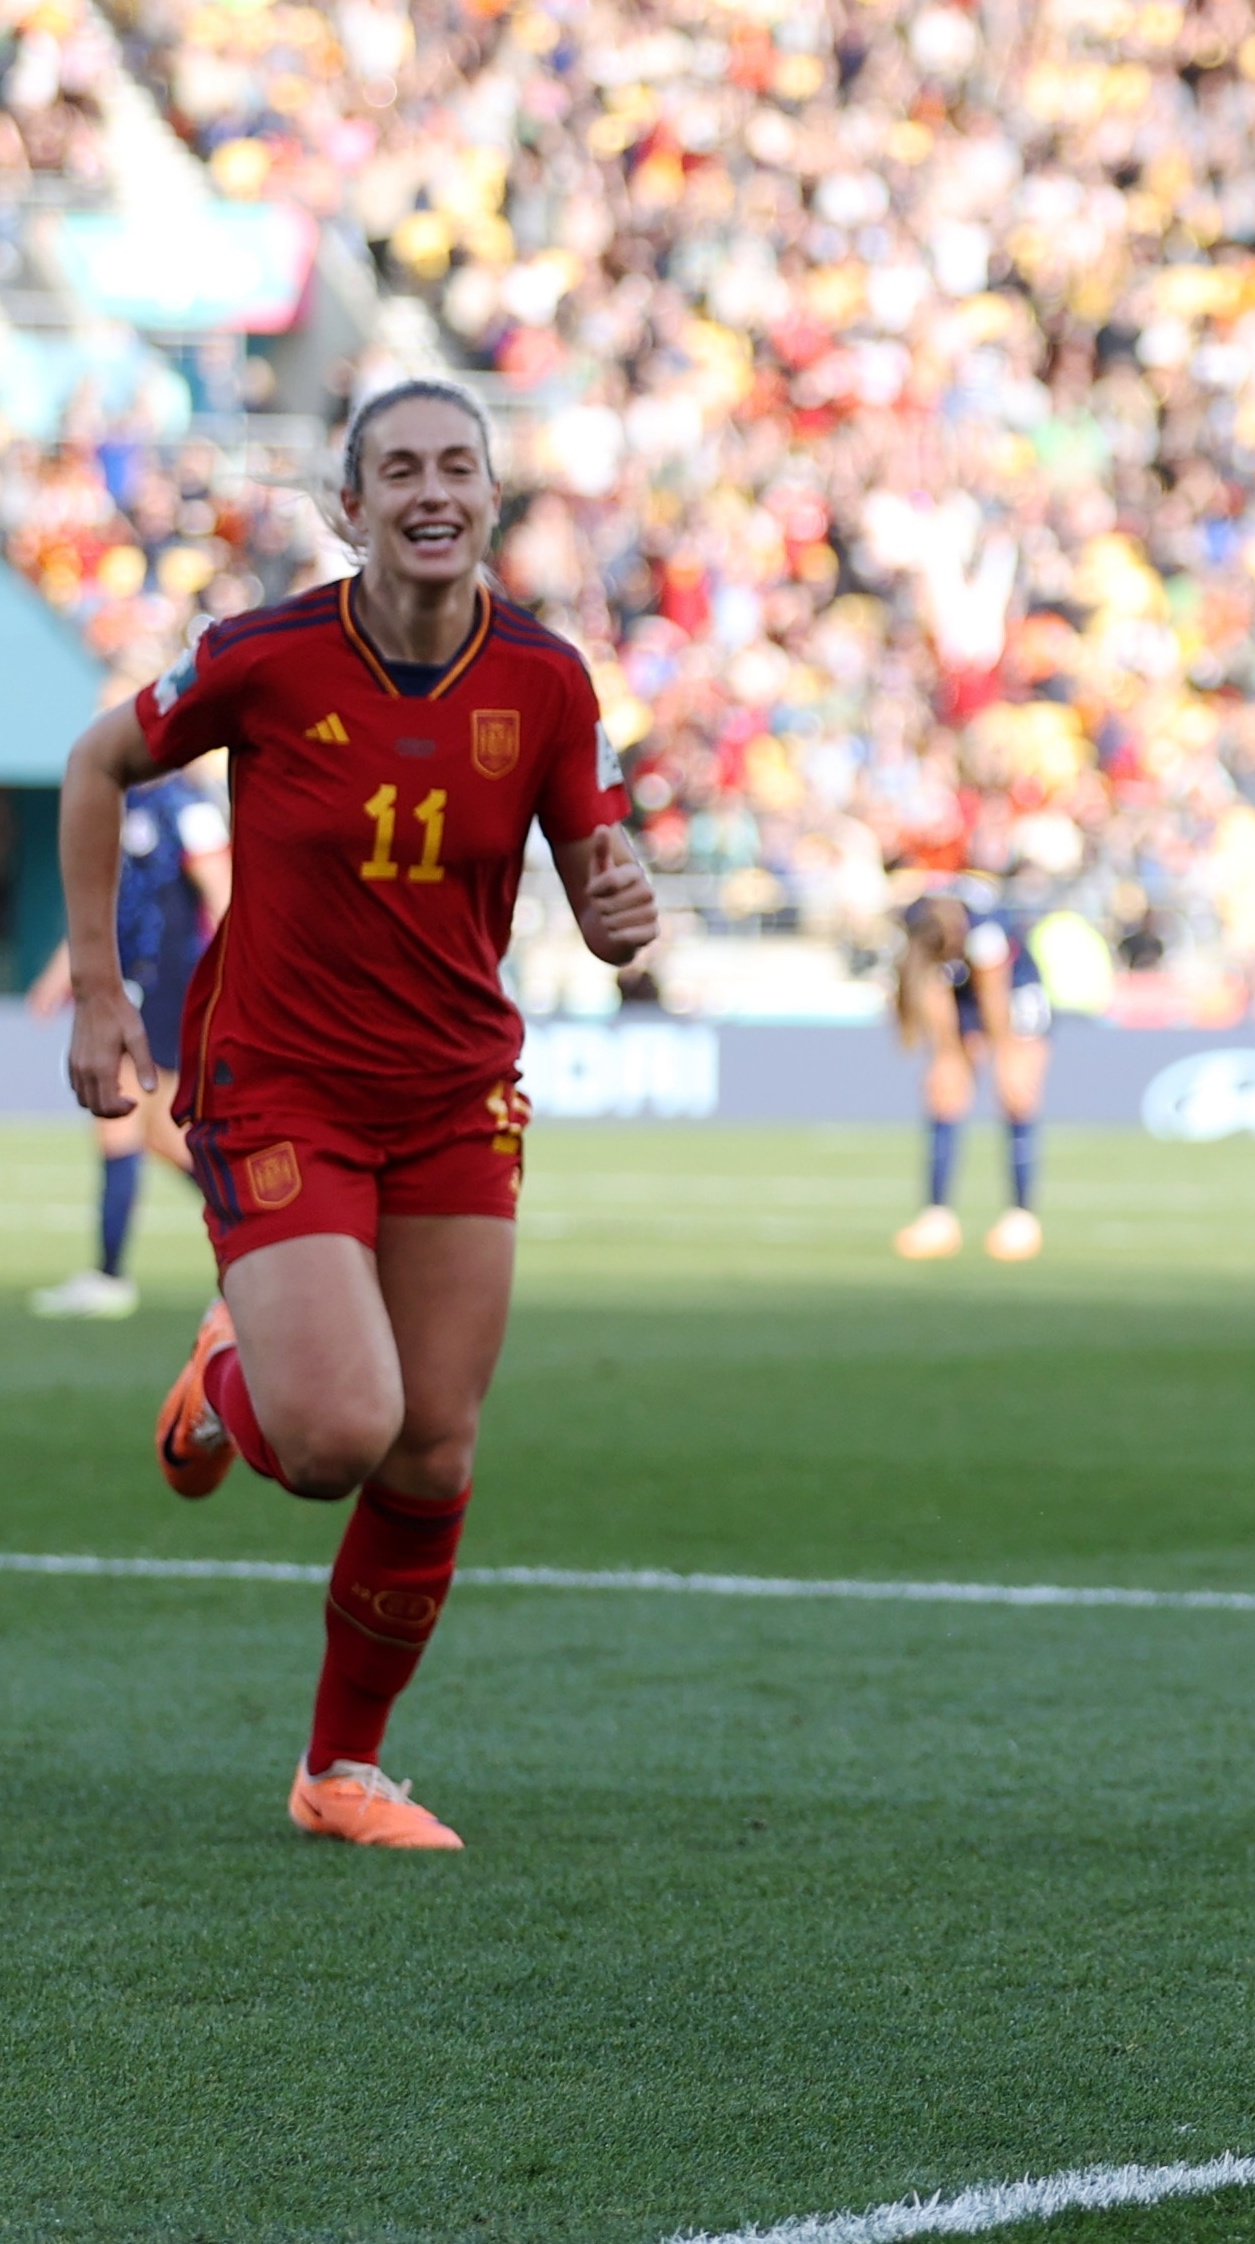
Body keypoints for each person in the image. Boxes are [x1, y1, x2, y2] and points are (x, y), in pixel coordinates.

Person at [56, 378, 657, 1848]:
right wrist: (94, 986)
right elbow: (95, 761)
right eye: (401, 470)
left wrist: (622, 911)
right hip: (284, 1083)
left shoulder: (549, 681)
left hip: (457, 1094)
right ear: (350, 506)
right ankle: (228, 1378)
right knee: (334, 1439)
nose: (432, 491)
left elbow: (599, 882)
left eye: (459, 466)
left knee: (433, 1448)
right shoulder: (263, 660)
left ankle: (342, 1774)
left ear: (493, 498)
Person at [25, 771, 232, 1317]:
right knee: (157, 1133)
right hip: (129, 985)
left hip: (169, 989)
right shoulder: (118, 802)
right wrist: (59, 972)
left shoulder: (185, 807)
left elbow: (224, 892)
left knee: (123, 1117)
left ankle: (112, 1275)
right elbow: (105, 907)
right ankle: (258, 1233)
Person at [889, 885, 1048, 1262]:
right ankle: (937, 1218)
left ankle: (1021, 1218)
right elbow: (930, 987)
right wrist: (946, 1053)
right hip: (961, 989)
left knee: (1015, 1094)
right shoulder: (919, 919)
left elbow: (995, 997)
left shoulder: (986, 932)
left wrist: (1005, 1055)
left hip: (1015, 989)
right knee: (945, 1092)